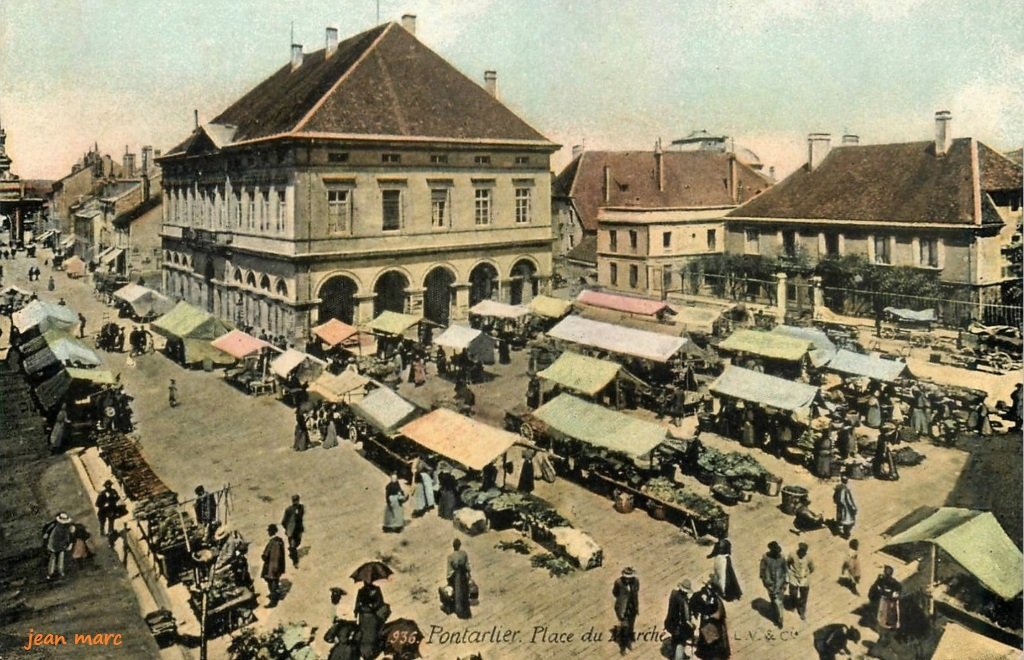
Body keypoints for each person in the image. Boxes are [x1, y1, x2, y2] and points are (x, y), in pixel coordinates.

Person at [690, 577, 730, 660]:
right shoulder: (705, 596)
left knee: (708, 638)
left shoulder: (714, 598)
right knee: (712, 641)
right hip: (710, 624)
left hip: (709, 622)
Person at [354, 579, 387, 659]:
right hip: (368, 616)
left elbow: (379, 602)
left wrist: (370, 606)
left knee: (368, 633)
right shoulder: (363, 591)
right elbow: (357, 604)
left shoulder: (375, 590)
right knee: (370, 633)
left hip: (369, 616)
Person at [664, 579, 695, 660]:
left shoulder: (673, 594)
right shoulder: (683, 601)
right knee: (680, 643)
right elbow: (685, 618)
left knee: (674, 639)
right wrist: (691, 625)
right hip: (679, 627)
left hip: (670, 623)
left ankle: (673, 654)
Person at [759, 541, 787, 629]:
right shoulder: (766, 558)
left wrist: (786, 582)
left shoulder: (782, 558)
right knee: (774, 601)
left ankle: (780, 619)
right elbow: (762, 570)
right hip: (770, 584)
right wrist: (765, 581)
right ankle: (776, 617)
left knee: (779, 602)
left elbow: (785, 570)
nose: (777, 553)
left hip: (780, 583)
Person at [612, 567, 640, 655]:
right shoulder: (618, 582)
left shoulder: (636, 581)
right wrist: (622, 600)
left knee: (631, 626)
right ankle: (623, 648)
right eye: (626, 578)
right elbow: (615, 593)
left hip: (632, 607)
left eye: (629, 578)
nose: (628, 580)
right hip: (622, 609)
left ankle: (629, 642)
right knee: (624, 628)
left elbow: (636, 591)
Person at [706, 537, 742, 602]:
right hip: (725, 564)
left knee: (726, 578)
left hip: (724, 564)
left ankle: (730, 594)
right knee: (729, 579)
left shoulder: (719, 556)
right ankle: (735, 594)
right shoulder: (724, 556)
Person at [786, 542, 815, 621]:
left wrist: (806, 575)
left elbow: (812, 568)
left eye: (804, 551)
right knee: (793, 592)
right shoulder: (792, 555)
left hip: (804, 578)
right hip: (794, 577)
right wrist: (790, 573)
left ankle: (802, 611)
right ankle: (793, 605)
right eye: (801, 551)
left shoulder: (809, 558)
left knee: (804, 596)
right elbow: (787, 563)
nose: (802, 553)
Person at [868, 566, 901, 631]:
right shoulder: (881, 580)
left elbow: (898, 590)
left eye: (887, 573)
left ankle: (890, 624)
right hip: (883, 599)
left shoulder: (894, 582)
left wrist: (893, 594)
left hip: (890, 600)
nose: (886, 575)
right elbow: (875, 587)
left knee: (890, 612)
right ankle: (882, 624)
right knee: (882, 612)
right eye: (886, 573)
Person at [446, 538, 472, 619]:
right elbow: (467, 566)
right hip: (463, 575)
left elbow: (449, 571)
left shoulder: (450, 557)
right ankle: (466, 611)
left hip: (456, 576)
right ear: (460, 545)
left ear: (453, 546)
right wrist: (468, 574)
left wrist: (449, 579)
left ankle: (460, 611)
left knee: (458, 592)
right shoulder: (464, 554)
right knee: (464, 592)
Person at [260, 524, 286, 607]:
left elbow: (275, 556)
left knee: (272, 582)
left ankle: (273, 600)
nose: (268, 532)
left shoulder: (274, 542)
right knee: (272, 581)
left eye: (269, 531)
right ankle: (274, 595)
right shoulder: (278, 540)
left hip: (272, 566)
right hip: (275, 565)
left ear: (272, 532)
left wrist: (274, 568)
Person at [43, 513, 73, 580]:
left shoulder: (66, 529)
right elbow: (47, 532)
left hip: (61, 545)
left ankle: (60, 572)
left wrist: (68, 543)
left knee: (60, 559)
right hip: (54, 544)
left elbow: (68, 537)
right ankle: (50, 573)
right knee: (53, 559)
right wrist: (46, 535)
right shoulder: (54, 526)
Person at [281, 495, 305, 568]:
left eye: (296, 500)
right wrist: (287, 529)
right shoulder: (288, 510)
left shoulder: (301, 508)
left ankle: (291, 551)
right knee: (293, 546)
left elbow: (300, 517)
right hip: (291, 532)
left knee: (298, 543)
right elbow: (283, 522)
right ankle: (295, 562)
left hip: (298, 530)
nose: (295, 502)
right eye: (294, 500)